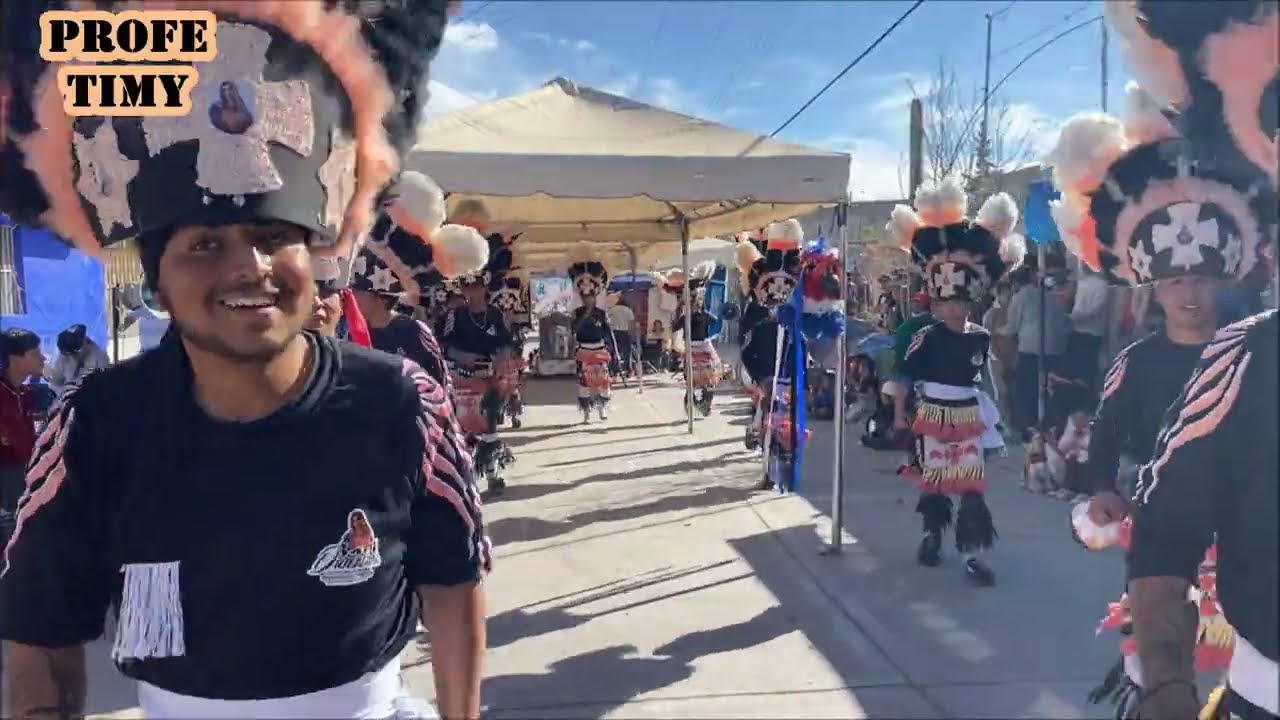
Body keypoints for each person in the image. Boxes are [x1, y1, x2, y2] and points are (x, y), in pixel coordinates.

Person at [0, 3, 488, 718]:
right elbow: (41, 639)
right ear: (159, 281)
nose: (249, 268)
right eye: (206, 244)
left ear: (312, 257)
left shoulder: (399, 400)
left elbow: (454, 579)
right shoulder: (95, 425)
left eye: (271, 236)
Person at [1045, 81, 1277, 714]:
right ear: (1154, 288)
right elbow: (1106, 430)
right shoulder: (1136, 362)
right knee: (1160, 664)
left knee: (1236, 652)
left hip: (1242, 541)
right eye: (1176, 281)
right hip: (1165, 522)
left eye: (1200, 278)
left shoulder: (1252, 351)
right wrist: (1102, 489)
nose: (1190, 294)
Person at [885, 178, 1022, 586]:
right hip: (931, 415)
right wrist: (898, 417)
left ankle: (973, 555)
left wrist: (998, 419)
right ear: (937, 302)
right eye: (946, 303)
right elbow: (903, 375)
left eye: (960, 303)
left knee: (973, 487)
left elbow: (984, 380)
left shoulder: (981, 335)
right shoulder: (925, 336)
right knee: (936, 481)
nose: (954, 310)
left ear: (970, 301)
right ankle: (931, 537)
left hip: (969, 416)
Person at [439, 220, 518, 494]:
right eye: (467, 288)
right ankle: (466, 474)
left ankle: (493, 471)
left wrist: (503, 357)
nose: (472, 293)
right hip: (462, 378)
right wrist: (465, 357)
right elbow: (446, 345)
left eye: (476, 287)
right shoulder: (455, 315)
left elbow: (506, 342)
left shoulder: (496, 315)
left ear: (485, 288)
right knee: (464, 429)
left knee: (490, 424)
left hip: (491, 377)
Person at [735, 223, 802, 459]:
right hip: (765, 334)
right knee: (766, 379)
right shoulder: (795, 268)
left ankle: (778, 428)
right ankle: (760, 423)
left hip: (779, 333)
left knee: (792, 377)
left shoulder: (767, 270)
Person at [1001, 256, 1069, 439]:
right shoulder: (1051, 296)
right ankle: (1050, 425)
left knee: (1024, 389)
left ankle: (1029, 426)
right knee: (1050, 390)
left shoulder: (1020, 296)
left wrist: (996, 330)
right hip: (1056, 349)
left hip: (1032, 350)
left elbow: (1011, 327)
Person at [566, 244, 619, 423]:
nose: (588, 298)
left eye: (591, 296)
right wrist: (587, 312)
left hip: (600, 348)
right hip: (584, 349)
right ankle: (586, 409)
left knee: (603, 379)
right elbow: (575, 329)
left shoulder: (601, 313)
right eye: (585, 296)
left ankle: (603, 406)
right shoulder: (577, 312)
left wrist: (614, 352)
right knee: (585, 380)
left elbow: (607, 332)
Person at [662, 262, 720, 416]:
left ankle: (705, 403)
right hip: (691, 347)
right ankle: (693, 401)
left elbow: (716, 323)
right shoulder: (686, 316)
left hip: (704, 346)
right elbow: (675, 327)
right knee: (692, 380)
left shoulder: (705, 315)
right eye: (694, 299)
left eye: (699, 299)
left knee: (710, 378)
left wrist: (712, 335)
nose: (696, 302)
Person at [0, 328, 43, 513]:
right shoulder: (3, 395)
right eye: (35, 354)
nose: (43, 358)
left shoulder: (24, 394)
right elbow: (20, 443)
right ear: (14, 358)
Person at [47, 324, 110, 396]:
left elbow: (104, 389)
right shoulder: (64, 356)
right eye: (68, 354)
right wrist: (62, 391)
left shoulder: (100, 359)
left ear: (84, 343)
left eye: (74, 354)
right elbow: (55, 383)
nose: (71, 357)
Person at [606, 295, 637, 377]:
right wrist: (632, 333)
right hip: (625, 332)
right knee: (627, 351)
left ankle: (614, 369)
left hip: (614, 332)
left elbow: (607, 321)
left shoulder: (611, 310)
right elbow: (631, 324)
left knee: (614, 351)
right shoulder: (628, 310)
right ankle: (628, 370)